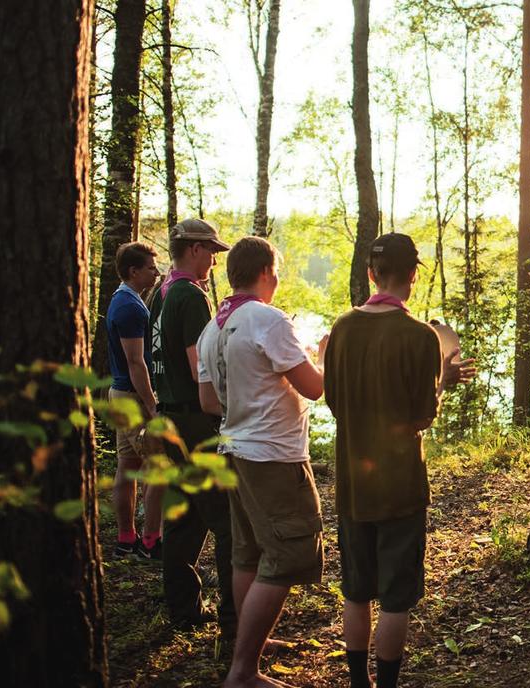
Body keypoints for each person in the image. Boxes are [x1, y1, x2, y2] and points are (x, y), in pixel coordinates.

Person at [324, 233, 475, 688]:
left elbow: (333, 401)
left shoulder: (343, 328)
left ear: (372, 274)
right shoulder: (419, 336)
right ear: (413, 275)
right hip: (401, 488)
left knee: (356, 588)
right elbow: (422, 416)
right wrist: (443, 380)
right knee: (395, 597)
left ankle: (358, 683)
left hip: (353, 483)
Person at [196, 237, 326, 688]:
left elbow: (208, 401)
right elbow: (313, 387)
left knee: (247, 553)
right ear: (267, 271)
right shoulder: (268, 321)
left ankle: (250, 644)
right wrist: (323, 355)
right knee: (290, 554)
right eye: (278, 270)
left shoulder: (214, 326)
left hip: (233, 448)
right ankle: (244, 671)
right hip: (272, 455)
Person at [148, 218, 236, 637]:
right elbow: (197, 363)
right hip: (195, 419)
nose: (216, 261)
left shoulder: (159, 293)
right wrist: (221, 407)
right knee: (226, 519)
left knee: (184, 518)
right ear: (195, 249)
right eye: (212, 252)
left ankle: (182, 608)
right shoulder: (189, 296)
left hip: (168, 414)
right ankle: (233, 615)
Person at [105, 241, 165, 559]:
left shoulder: (125, 300)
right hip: (131, 395)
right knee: (157, 465)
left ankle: (126, 539)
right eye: (151, 268)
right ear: (134, 271)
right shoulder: (129, 307)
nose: (156, 273)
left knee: (127, 466)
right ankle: (151, 542)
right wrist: (152, 404)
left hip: (121, 393)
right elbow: (135, 361)